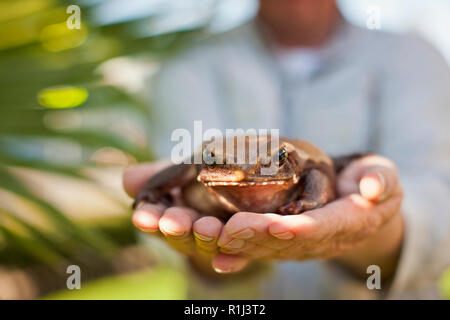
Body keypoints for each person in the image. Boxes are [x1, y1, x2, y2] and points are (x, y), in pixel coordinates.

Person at [123, 0, 450, 299]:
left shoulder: (411, 56)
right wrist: (161, 194)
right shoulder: (188, 65)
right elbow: (188, 172)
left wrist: (370, 224)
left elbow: (438, 198)